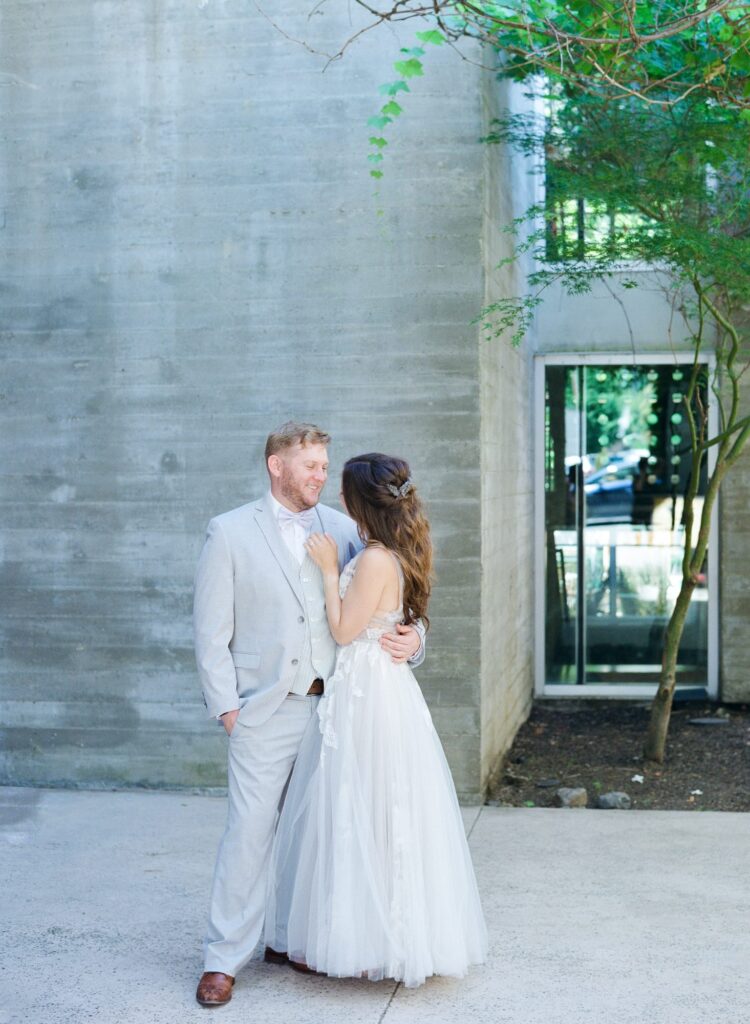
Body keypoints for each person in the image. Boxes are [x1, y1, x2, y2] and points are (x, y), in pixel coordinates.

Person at [193, 424, 425, 1008]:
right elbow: (210, 632)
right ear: (277, 466)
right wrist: (227, 708)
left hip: (342, 707)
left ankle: (286, 935)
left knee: (318, 827)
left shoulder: (347, 528)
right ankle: (223, 959)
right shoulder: (229, 532)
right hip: (267, 708)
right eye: (311, 466)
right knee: (249, 832)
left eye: (325, 466)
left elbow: (395, 596)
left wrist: (413, 640)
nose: (322, 475)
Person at [264, 453, 487, 988]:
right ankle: (362, 932)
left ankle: (369, 940)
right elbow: (399, 618)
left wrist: (324, 572)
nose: (337, 496)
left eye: (343, 489)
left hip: (368, 692)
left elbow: (344, 631)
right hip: (371, 687)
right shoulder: (392, 549)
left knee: (362, 807)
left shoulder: (373, 560)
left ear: (360, 501)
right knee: (370, 808)